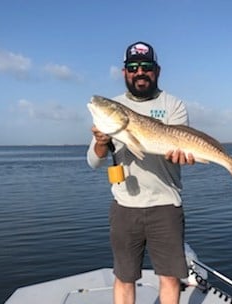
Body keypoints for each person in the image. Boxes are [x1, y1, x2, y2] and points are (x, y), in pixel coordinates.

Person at [87, 41, 195, 304]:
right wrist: (102, 142)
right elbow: (93, 161)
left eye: (145, 67)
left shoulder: (173, 104)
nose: (139, 72)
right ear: (124, 72)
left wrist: (183, 155)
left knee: (170, 278)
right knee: (124, 278)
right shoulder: (113, 108)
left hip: (166, 204)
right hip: (125, 206)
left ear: (156, 70)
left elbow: (183, 145)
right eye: (132, 67)